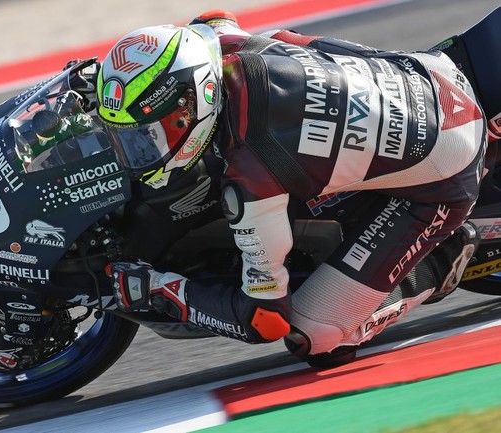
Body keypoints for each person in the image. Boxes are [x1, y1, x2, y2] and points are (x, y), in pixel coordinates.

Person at [91, 10, 494, 367]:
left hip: (450, 165)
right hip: (429, 74)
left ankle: (440, 259)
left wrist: (159, 290)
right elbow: (214, 19)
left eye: (155, 132)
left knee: (314, 336)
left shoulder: (254, 172)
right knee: (279, 44)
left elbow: (263, 320)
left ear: (200, 96)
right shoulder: (217, 47)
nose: (142, 151)